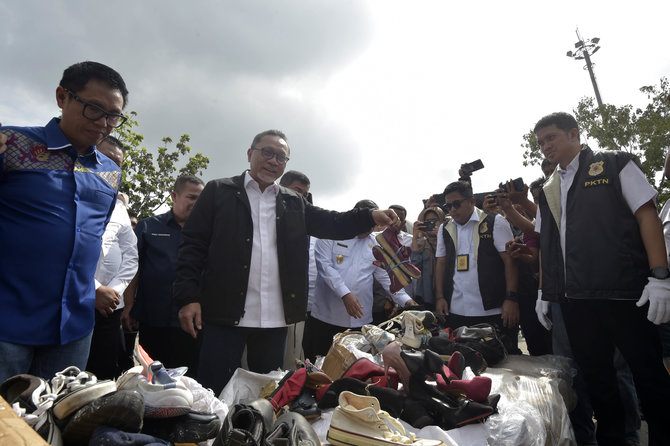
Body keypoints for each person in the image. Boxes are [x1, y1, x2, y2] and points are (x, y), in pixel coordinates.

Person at [173, 129, 402, 394]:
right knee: (214, 389)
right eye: (267, 153)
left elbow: (333, 222)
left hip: (274, 318)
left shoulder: (293, 201)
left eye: (281, 157)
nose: (273, 161)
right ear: (250, 154)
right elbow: (192, 245)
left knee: (267, 394)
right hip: (225, 314)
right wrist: (188, 297)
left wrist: (370, 215)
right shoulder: (219, 191)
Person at [534, 112, 670, 445]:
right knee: (598, 380)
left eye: (551, 137)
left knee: (648, 374)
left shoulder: (614, 164)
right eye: (541, 142)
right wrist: (544, 291)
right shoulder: (548, 188)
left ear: (574, 134)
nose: (546, 146)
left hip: (625, 293)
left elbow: (646, 213)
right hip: (577, 301)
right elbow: (546, 244)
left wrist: (660, 277)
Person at [0, 61, 127, 383]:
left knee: (54, 425)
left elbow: (89, 239)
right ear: (62, 97)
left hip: (73, 329)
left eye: (113, 116)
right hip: (7, 321)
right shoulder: (11, 146)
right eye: (93, 109)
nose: (104, 123)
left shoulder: (109, 173)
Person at [303, 200, 417, 360]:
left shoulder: (376, 244)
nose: (369, 229)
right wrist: (345, 294)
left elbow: (385, 277)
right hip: (326, 318)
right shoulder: (329, 236)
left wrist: (406, 300)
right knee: (321, 367)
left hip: (361, 321)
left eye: (372, 225)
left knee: (356, 369)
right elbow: (325, 268)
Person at [122, 175, 205, 377]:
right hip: (152, 318)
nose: (196, 203)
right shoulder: (149, 226)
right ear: (174, 196)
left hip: (192, 322)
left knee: (188, 381)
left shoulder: (208, 232)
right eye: (191, 197)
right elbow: (135, 267)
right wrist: (129, 304)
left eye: (200, 199)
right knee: (151, 376)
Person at [434, 181, 520, 350]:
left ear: (472, 201)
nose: (452, 209)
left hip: (493, 310)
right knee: (464, 364)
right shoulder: (445, 229)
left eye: (457, 204)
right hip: (456, 310)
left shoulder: (495, 222)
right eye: (448, 206)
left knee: (503, 363)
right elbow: (440, 264)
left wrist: (511, 298)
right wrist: (440, 297)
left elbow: (510, 261)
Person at [87, 136, 138, 380]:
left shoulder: (119, 208)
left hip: (109, 308)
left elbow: (131, 255)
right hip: (73, 301)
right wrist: (94, 289)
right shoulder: (69, 195)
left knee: (103, 374)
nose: (111, 167)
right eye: (105, 158)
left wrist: (113, 291)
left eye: (117, 163)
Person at [278, 170, 313, 368]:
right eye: (296, 191)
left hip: (294, 303)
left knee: (290, 360)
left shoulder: (306, 220)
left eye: (305, 194)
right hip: (264, 303)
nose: (301, 198)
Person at [410, 206, 446, 310]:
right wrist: (415, 236)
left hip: (447, 292)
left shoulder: (450, 239)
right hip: (426, 295)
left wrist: (441, 236)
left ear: (442, 221)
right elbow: (414, 266)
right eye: (427, 221)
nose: (431, 224)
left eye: (435, 221)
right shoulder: (422, 243)